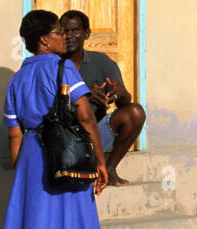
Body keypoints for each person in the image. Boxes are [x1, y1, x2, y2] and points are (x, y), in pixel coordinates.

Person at [0, 10, 107, 229]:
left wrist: (23, 174)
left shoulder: (17, 79)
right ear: (45, 40)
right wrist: (100, 161)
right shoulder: (65, 68)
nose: (65, 37)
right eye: (59, 32)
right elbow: (86, 116)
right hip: (63, 154)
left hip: (32, 157)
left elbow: (14, 134)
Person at [59, 10, 147, 187]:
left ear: (87, 34)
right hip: (64, 137)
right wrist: (83, 94)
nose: (69, 36)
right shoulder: (53, 64)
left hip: (95, 134)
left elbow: (124, 103)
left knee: (135, 112)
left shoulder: (102, 62)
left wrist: (121, 94)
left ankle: (109, 168)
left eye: (75, 31)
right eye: (64, 31)